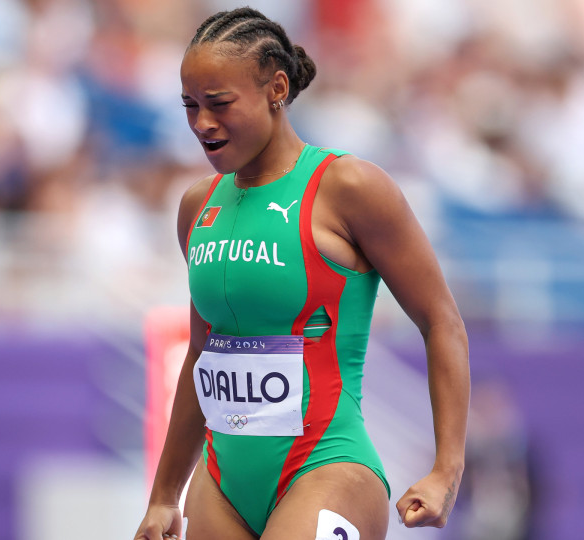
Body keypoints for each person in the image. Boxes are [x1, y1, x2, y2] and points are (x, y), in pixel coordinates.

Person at [135, 7, 470, 540]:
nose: (202, 123)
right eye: (191, 105)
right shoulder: (197, 207)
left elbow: (441, 322)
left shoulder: (350, 188)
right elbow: (202, 354)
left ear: (277, 88)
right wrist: (162, 496)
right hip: (221, 482)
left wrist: (446, 470)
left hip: (326, 468)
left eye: (220, 104)